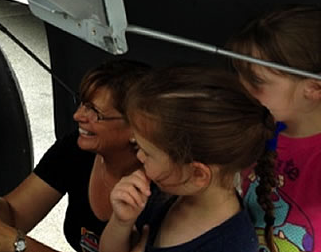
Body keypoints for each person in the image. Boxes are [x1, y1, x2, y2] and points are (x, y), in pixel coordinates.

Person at [0, 58, 150, 252]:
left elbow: (10, 235)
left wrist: (17, 244)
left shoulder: (161, 188)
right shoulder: (75, 151)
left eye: (95, 113)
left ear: (136, 129)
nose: (78, 116)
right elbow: (14, 214)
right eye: (82, 103)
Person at [99, 66, 277, 252]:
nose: (139, 156)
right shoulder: (162, 191)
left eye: (147, 152)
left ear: (197, 174)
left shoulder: (232, 245)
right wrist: (121, 223)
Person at [227, 4, 321, 252]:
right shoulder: (255, 127)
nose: (241, 87)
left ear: (313, 88)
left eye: (256, 81)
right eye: (238, 73)